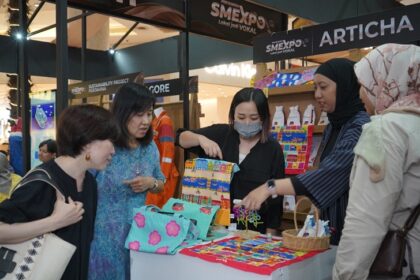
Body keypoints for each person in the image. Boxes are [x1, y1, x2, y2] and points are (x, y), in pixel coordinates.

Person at [240, 58, 370, 245]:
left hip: (352, 231)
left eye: (323, 87)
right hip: (330, 227)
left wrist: (270, 187)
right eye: (315, 88)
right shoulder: (333, 126)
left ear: (344, 86)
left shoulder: (360, 128)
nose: (317, 94)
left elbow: (329, 175)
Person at [0, 104, 119, 280]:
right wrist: (55, 222)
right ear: (88, 143)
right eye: (110, 142)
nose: (113, 151)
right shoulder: (42, 182)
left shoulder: (90, 183)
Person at [333, 43, 420, 280]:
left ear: (387, 80)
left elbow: (364, 222)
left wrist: (344, 276)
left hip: (400, 265)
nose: (362, 95)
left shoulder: (386, 130)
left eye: (365, 83)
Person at [177, 87, 284, 235]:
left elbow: (276, 199)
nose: (247, 123)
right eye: (241, 117)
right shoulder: (221, 134)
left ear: (263, 118)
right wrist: (200, 139)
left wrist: (269, 237)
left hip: (252, 232)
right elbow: (180, 138)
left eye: (254, 118)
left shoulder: (272, 149)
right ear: (232, 115)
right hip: (211, 229)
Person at [88, 83, 165, 280]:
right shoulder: (104, 146)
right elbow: (82, 185)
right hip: (102, 237)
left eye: (149, 114)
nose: (146, 121)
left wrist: (151, 183)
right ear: (122, 113)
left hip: (139, 236)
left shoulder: (150, 148)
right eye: (139, 114)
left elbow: (161, 183)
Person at [145, 106, 180, 208]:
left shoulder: (164, 122)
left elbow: (168, 152)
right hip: (155, 175)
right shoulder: (155, 122)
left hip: (164, 176)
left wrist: (162, 177)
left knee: (156, 211)